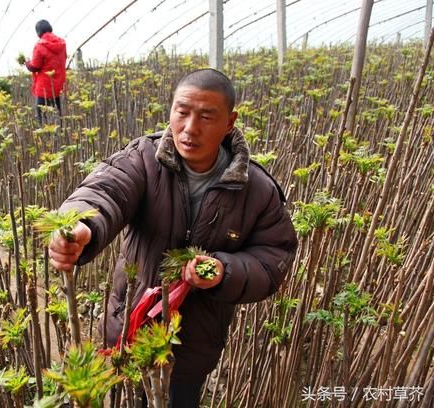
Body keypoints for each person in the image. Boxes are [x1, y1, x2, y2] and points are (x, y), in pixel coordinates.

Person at [48, 69, 298, 407]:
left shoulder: (257, 190)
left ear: (230, 122)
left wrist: (223, 270)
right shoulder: (143, 160)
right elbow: (105, 191)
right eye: (182, 111)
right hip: (132, 329)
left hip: (194, 342)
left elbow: (273, 258)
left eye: (206, 116)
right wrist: (82, 226)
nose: (190, 128)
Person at [22, 19, 67, 125]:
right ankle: (59, 133)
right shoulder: (62, 43)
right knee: (57, 112)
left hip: (45, 87)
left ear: (38, 32)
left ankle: (45, 134)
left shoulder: (40, 46)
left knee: (41, 114)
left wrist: (27, 63)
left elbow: (35, 66)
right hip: (59, 84)